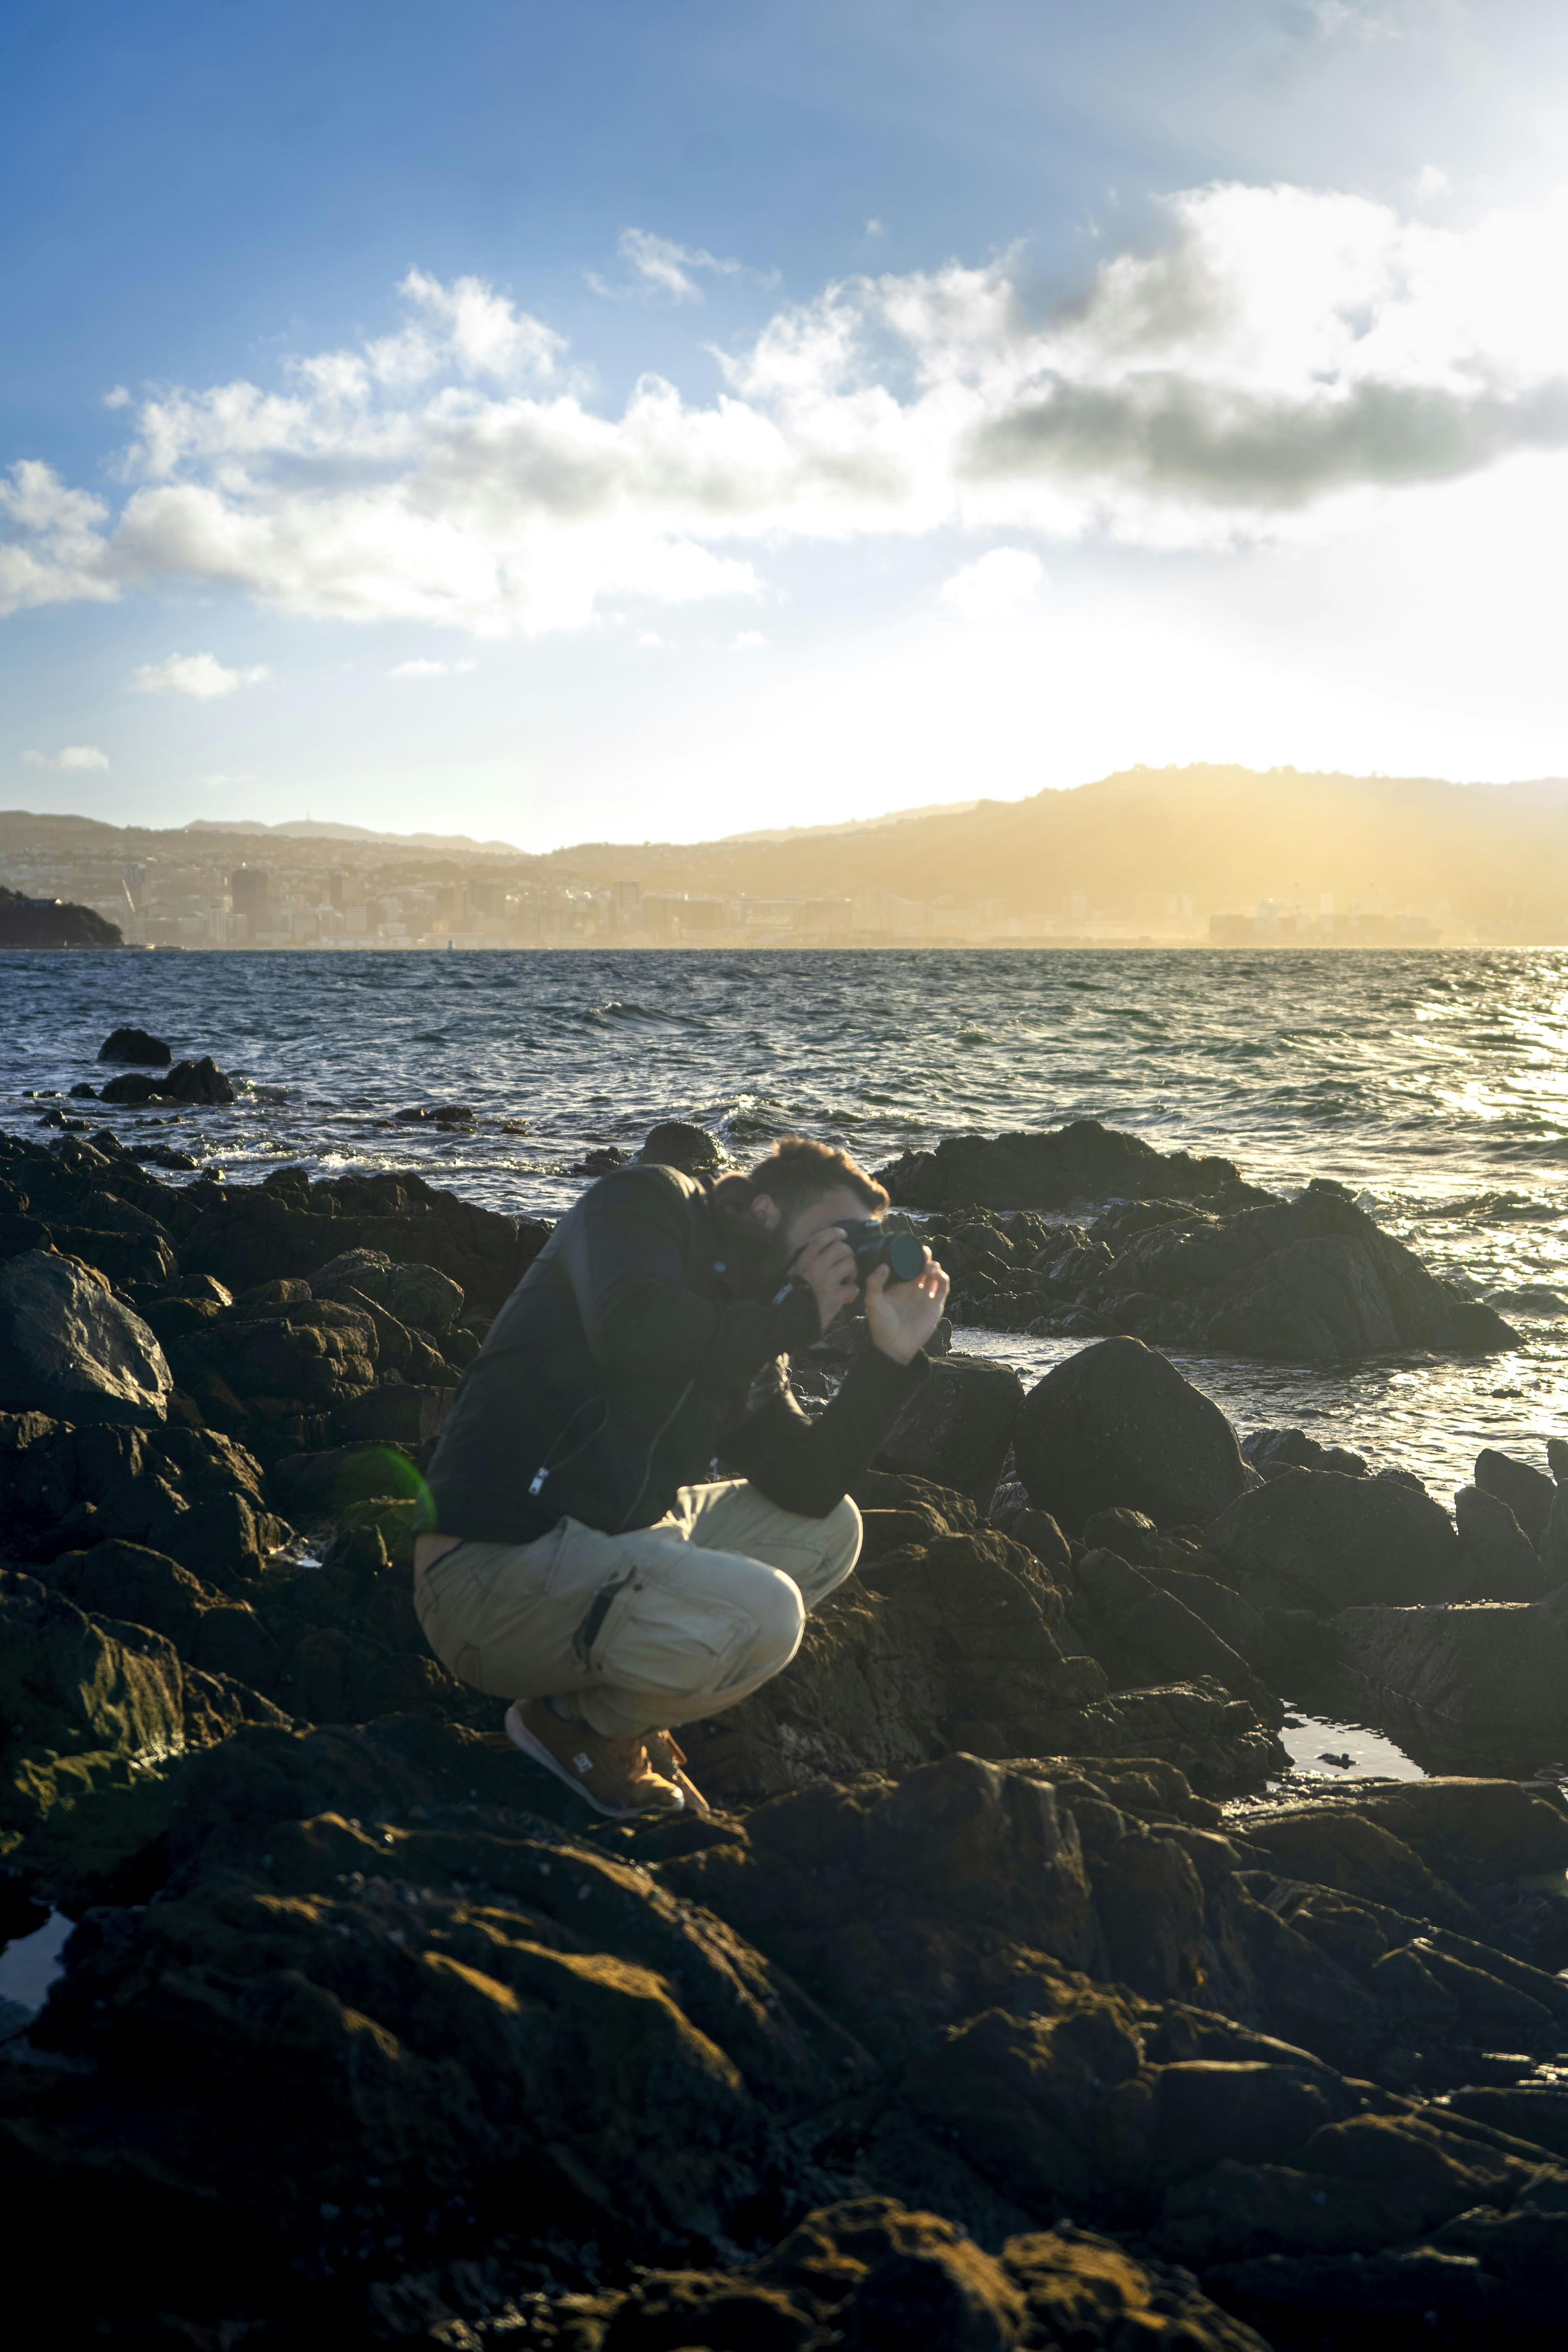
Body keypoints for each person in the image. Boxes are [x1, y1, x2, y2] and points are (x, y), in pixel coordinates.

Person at [413, 1135, 949, 1819]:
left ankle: (608, 1713)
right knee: (769, 1614)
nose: (847, 1256)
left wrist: (889, 1355)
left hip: (604, 1548)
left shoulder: (753, 1336)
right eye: (837, 1234)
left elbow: (809, 1488)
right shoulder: (648, 1201)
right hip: (489, 1571)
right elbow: (628, 1325)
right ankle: (581, 1727)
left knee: (833, 1529)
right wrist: (790, 1316)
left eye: (864, 1240)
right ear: (762, 1209)